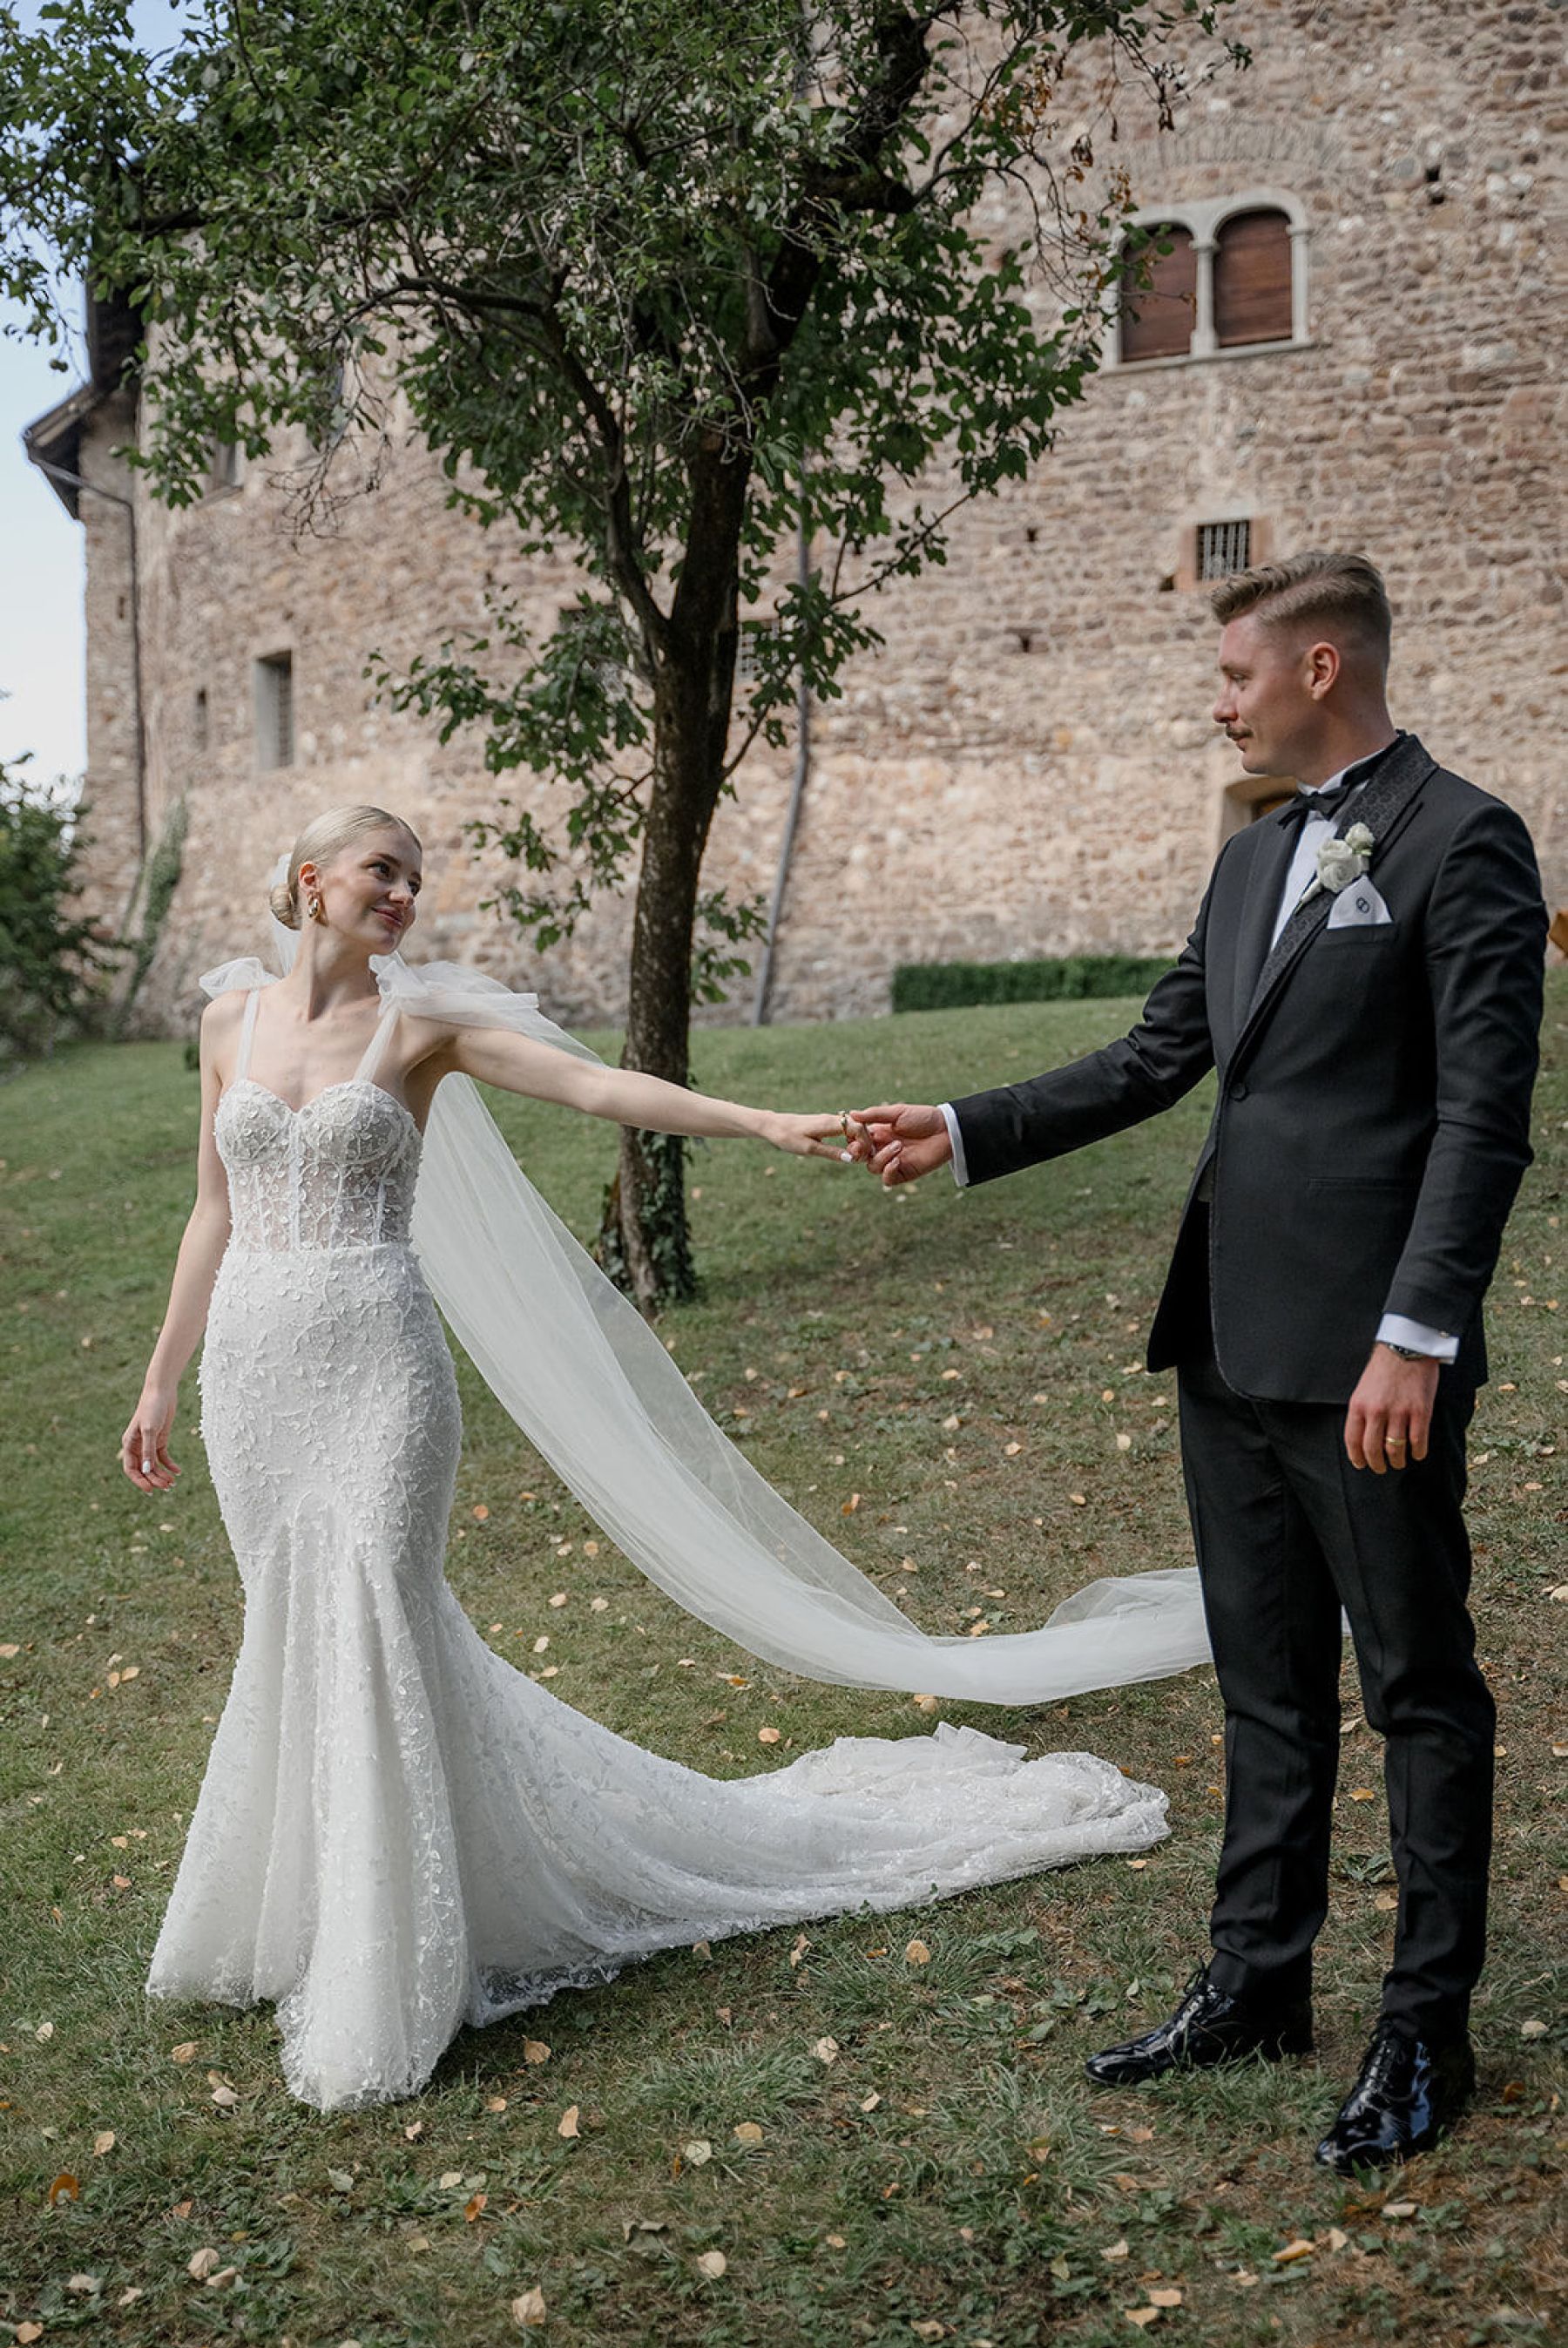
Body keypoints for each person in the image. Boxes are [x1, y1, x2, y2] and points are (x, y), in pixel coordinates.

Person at [122, 803, 1187, 2113]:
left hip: (377, 1363)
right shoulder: (229, 1025)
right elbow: (212, 1209)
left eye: (416, 878)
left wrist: (762, 1122)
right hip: (254, 1372)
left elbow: (596, 1087)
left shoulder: (422, 1031)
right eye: (381, 870)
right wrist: (164, 1378)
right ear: (310, 881)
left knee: (384, 1618)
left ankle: (391, 1952)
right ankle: (299, 1914)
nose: (403, 892)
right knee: (292, 1625)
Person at [852, 551, 1546, 2172]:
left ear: (1318, 668)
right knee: (1263, 1681)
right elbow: (1163, 1053)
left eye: (1234, 675)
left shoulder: (1466, 840)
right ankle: (1257, 1984)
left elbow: (1483, 1121)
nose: (1215, 699)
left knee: (1418, 1689)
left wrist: (1416, 1339)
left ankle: (1424, 2028)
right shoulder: (1250, 863)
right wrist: (960, 1130)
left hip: (1370, 1354)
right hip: (1226, 1339)